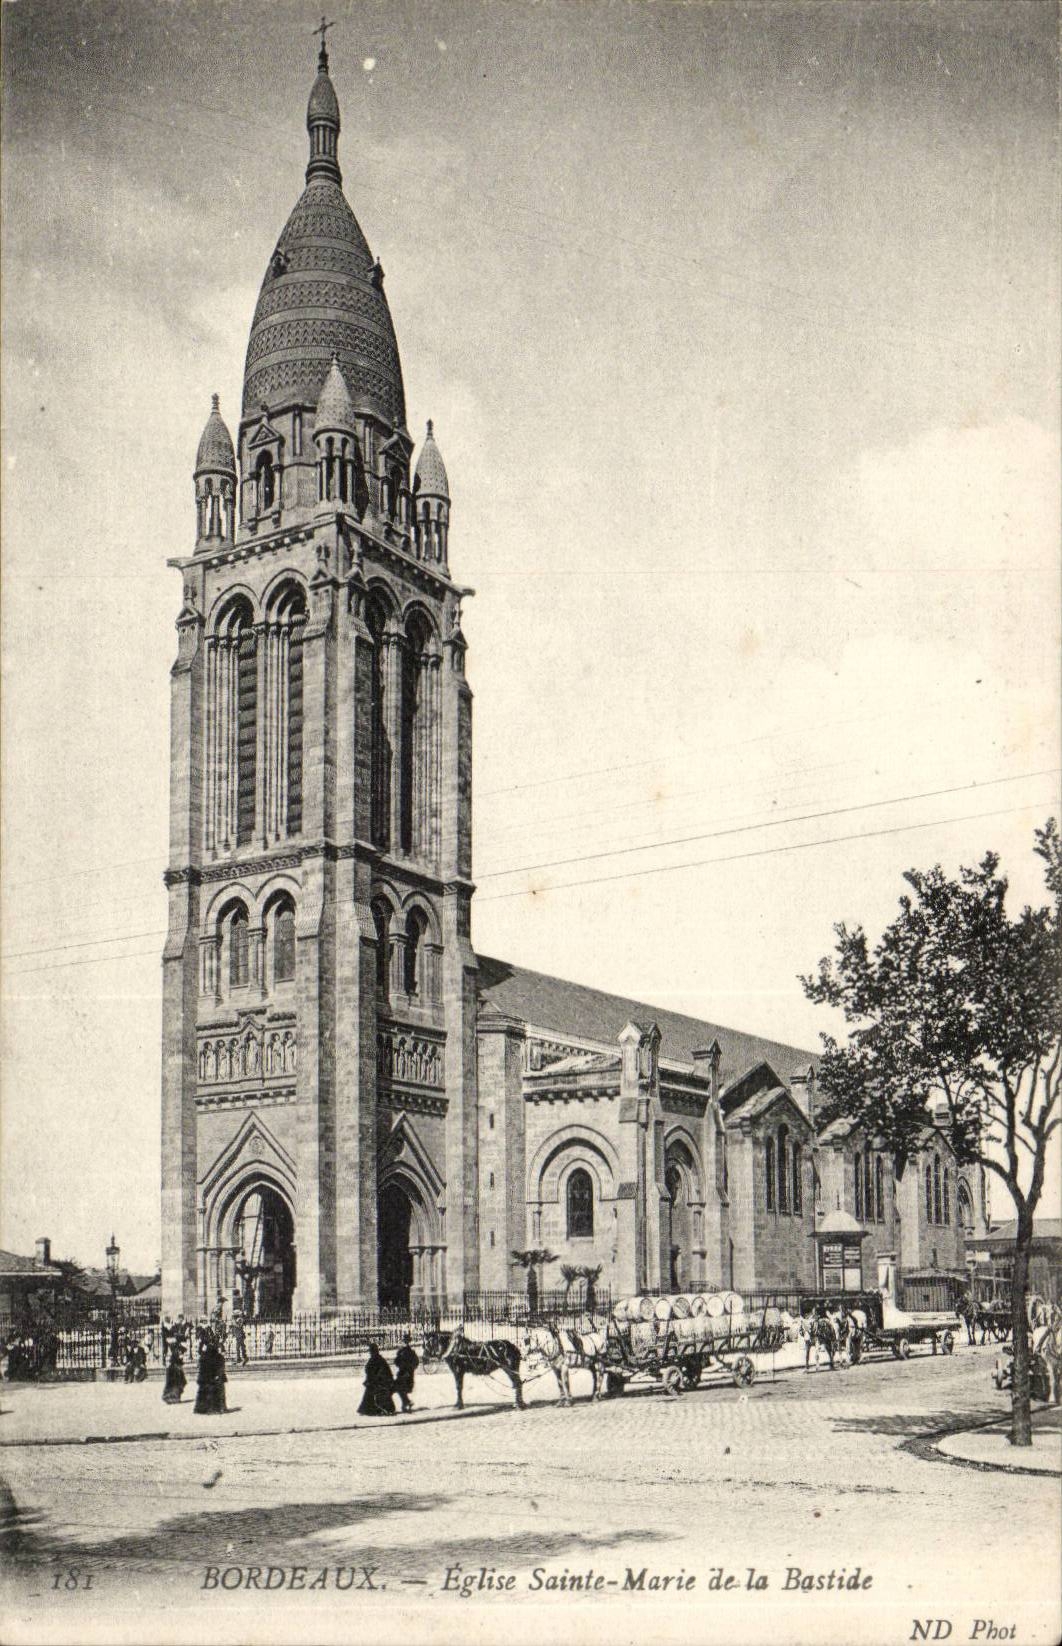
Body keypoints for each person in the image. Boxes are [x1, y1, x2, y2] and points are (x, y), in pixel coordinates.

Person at [193, 1329, 229, 1415]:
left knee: (205, 1392)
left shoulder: (205, 1355)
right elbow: (218, 1367)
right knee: (215, 1391)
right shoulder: (217, 1356)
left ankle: (203, 1408)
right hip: (212, 1378)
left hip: (206, 1378)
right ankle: (217, 1408)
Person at [358, 1342, 396, 1416]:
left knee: (371, 1390)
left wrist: (372, 1380)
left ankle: (369, 1409)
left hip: (383, 1383)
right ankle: (367, 1409)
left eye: (371, 1351)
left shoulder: (378, 1359)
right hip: (379, 1382)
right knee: (369, 1390)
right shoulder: (376, 1359)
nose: (370, 1353)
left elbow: (381, 1373)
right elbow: (370, 1370)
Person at [394, 1334, 419, 1413]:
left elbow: (396, 1362)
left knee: (399, 1388)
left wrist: (408, 1369)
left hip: (405, 1375)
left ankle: (406, 1403)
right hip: (406, 1374)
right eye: (405, 1341)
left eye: (405, 1341)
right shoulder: (409, 1352)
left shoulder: (405, 1352)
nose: (405, 1343)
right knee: (400, 1389)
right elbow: (416, 1363)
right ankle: (406, 1403)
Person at [162, 1336, 187, 1404]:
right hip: (174, 1368)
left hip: (175, 1367)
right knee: (176, 1382)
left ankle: (174, 1397)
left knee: (177, 1382)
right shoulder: (176, 1348)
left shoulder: (178, 1348)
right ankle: (173, 1398)